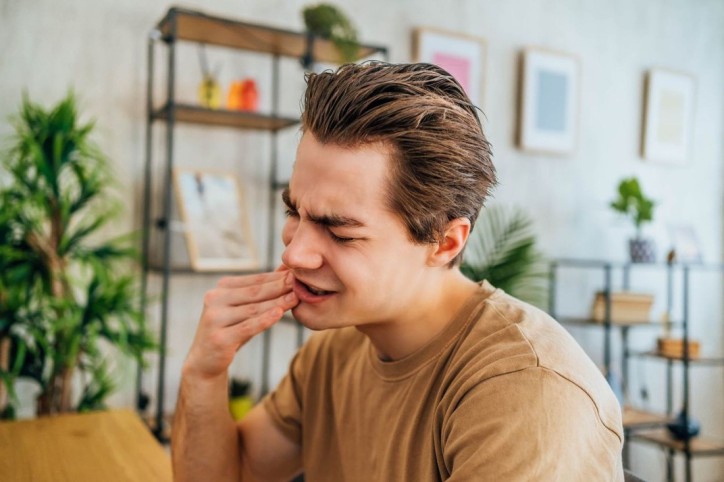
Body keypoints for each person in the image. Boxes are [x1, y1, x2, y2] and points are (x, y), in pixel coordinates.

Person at [172, 62, 624, 482]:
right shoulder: (333, 352)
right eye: (296, 211)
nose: (295, 254)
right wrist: (204, 374)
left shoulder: (529, 394)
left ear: (445, 242)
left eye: (340, 231)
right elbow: (236, 473)